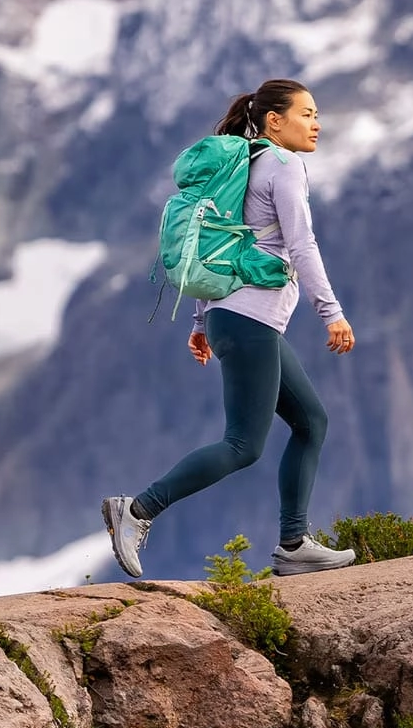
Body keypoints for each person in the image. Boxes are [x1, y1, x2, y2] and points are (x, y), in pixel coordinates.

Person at [103, 78, 358, 579]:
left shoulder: (245, 164)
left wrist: (201, 321)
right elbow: (302, 246)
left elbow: (219, 243)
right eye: (306, 113)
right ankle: (136, 511)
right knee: (243, 444)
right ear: (274, 121)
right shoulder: (283, 165)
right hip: (251, 320)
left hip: (233, 317)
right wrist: (332, 312)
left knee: (311, 422)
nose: (317, 123)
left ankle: (293, 543)